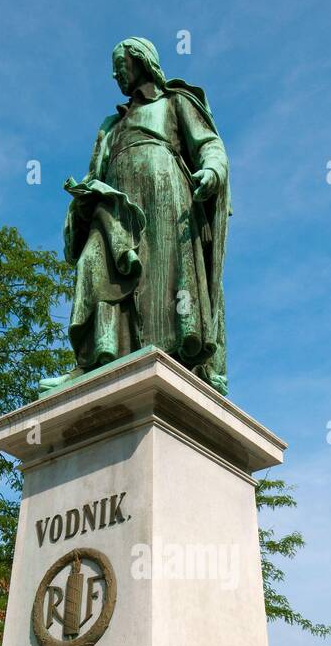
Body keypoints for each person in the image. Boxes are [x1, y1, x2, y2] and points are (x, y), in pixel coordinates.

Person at [59, 37, 231, 394]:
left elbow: (209, 145)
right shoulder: (111, 125)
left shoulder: (175, 103)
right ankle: (97, 357)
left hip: (167, 199)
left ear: (139, 62)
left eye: (119, 66)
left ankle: (180, 356)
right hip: (115, 208)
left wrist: (211, 171)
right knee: (96, 264)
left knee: (167, 277)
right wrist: (84, 196)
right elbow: (96, 170)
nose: (114, 74)